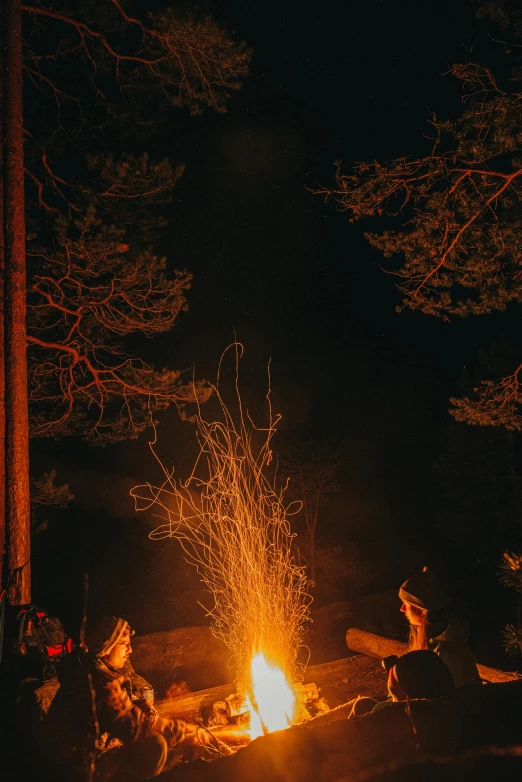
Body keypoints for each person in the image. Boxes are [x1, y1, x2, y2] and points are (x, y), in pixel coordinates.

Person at [45, 616, 209, 781]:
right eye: (124, 644)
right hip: (74, 768)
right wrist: (189, 730)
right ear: (107, 646)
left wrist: (136, 704)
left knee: (157, 741)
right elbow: (136, 727)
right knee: (156, 744)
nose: (130, 650)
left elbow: (111, 713)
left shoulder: (93, 668)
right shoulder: (101, 682)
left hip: (75, 758)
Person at [399, 567, 480, 688]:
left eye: (407, 604)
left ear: (423, 611)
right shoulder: (435, 642)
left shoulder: (447, 655)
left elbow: (450, 701)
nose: (402, 609)